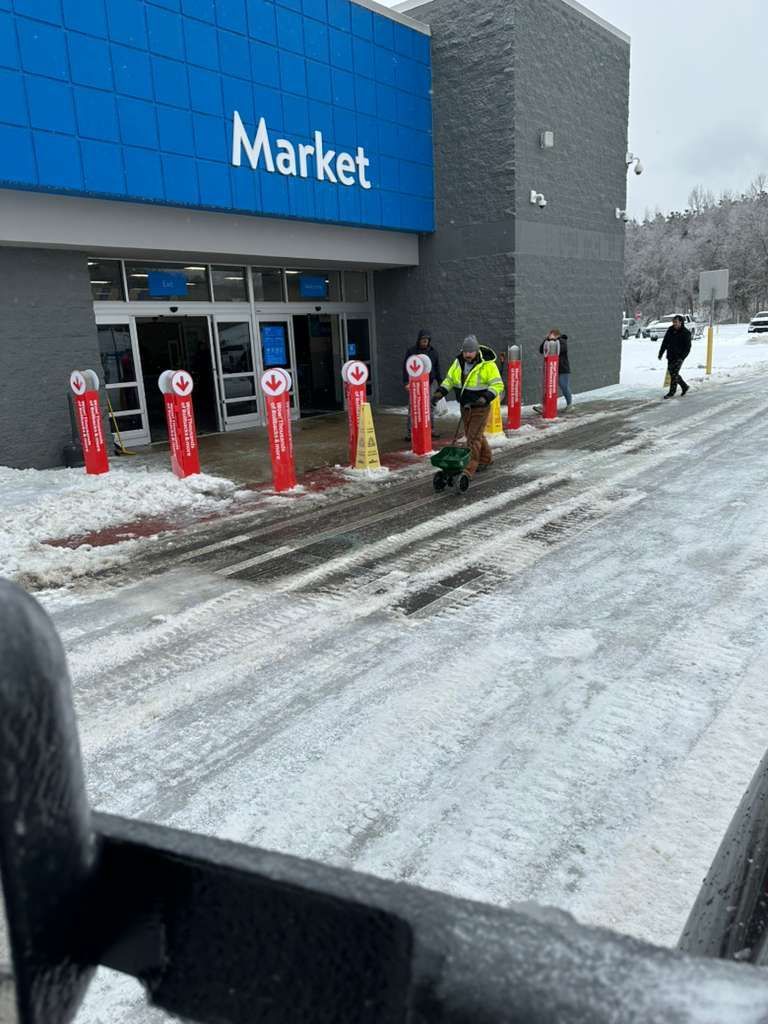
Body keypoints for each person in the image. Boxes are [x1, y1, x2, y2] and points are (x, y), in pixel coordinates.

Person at [431, 335, 504, 476]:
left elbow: (497, 384)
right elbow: (450, 380)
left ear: (476, 351)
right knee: (476, 435)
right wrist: (440, 392)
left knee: (472, 438)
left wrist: (486, 397)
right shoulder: (458, 362)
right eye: (465, 352)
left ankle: (469, 468)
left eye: (470, 352)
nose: (467, 355)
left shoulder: (488, 364)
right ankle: (486, 458)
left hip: (480, 407)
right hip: (465, 406)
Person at [403, 329, 442, 440]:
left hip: (429, 383)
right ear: (419, 340)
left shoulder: (434, 352)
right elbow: (405, 368)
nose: (424, 342)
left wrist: (440, 384)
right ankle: (411, 431)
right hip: (414, 384)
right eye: (423, 339)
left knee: (429, 407)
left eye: (426, 340)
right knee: (413, 407)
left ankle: (430, 429)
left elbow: (437, 368)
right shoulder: (411, 351)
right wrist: (406, 382)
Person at [535, 328, 572, 411]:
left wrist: (552, 340)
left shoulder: (562, 341)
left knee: (564, 386)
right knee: (548, 387)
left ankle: (569, 404)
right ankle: (544, 405)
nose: (550, 336)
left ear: (556, 335)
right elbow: (541, 350)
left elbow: (561, 349)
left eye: (551, 334)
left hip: (562, 369)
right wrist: (546, 340)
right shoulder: (548, 341)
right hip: (551, 368)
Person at [658, 315, 691, 398]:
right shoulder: (670, 330)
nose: (674, 324)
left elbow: (688, 347)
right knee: (672, 372)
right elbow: (665, 342)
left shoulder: (685, 332)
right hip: (670, 355)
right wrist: (661, 353)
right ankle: (684, 386)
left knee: (674, 373)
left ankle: (672, 392)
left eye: (676, 322)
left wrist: (682, 357)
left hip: (679, 356)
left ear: (681, 322)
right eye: (673, 322)